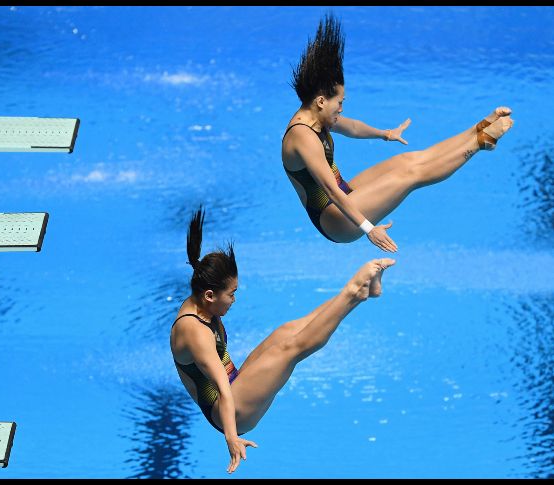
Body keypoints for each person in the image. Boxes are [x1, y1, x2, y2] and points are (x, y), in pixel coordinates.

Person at [169, 207, 395, 473]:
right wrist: (231, 439)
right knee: (290, 349)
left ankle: (363, 292)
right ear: (209, 295)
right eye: (231, 294)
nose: (234, 300)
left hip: (234, 385)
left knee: (286, 332)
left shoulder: (202, 302)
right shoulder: (195, 332)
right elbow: (223, 388)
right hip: (231, 412)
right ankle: (354, 291)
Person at [282, 14, 514, 252]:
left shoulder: (317, 115)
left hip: (344, 195)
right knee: (410, 175)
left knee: (407, 160)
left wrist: (386, 134)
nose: (341, 108)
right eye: (339, 103)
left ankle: (476, 130)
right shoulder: (303, 136)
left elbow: (352, 127)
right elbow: (330, 189)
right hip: (335, 220)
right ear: (321, 101)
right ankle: (480, 142)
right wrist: (369, 229)